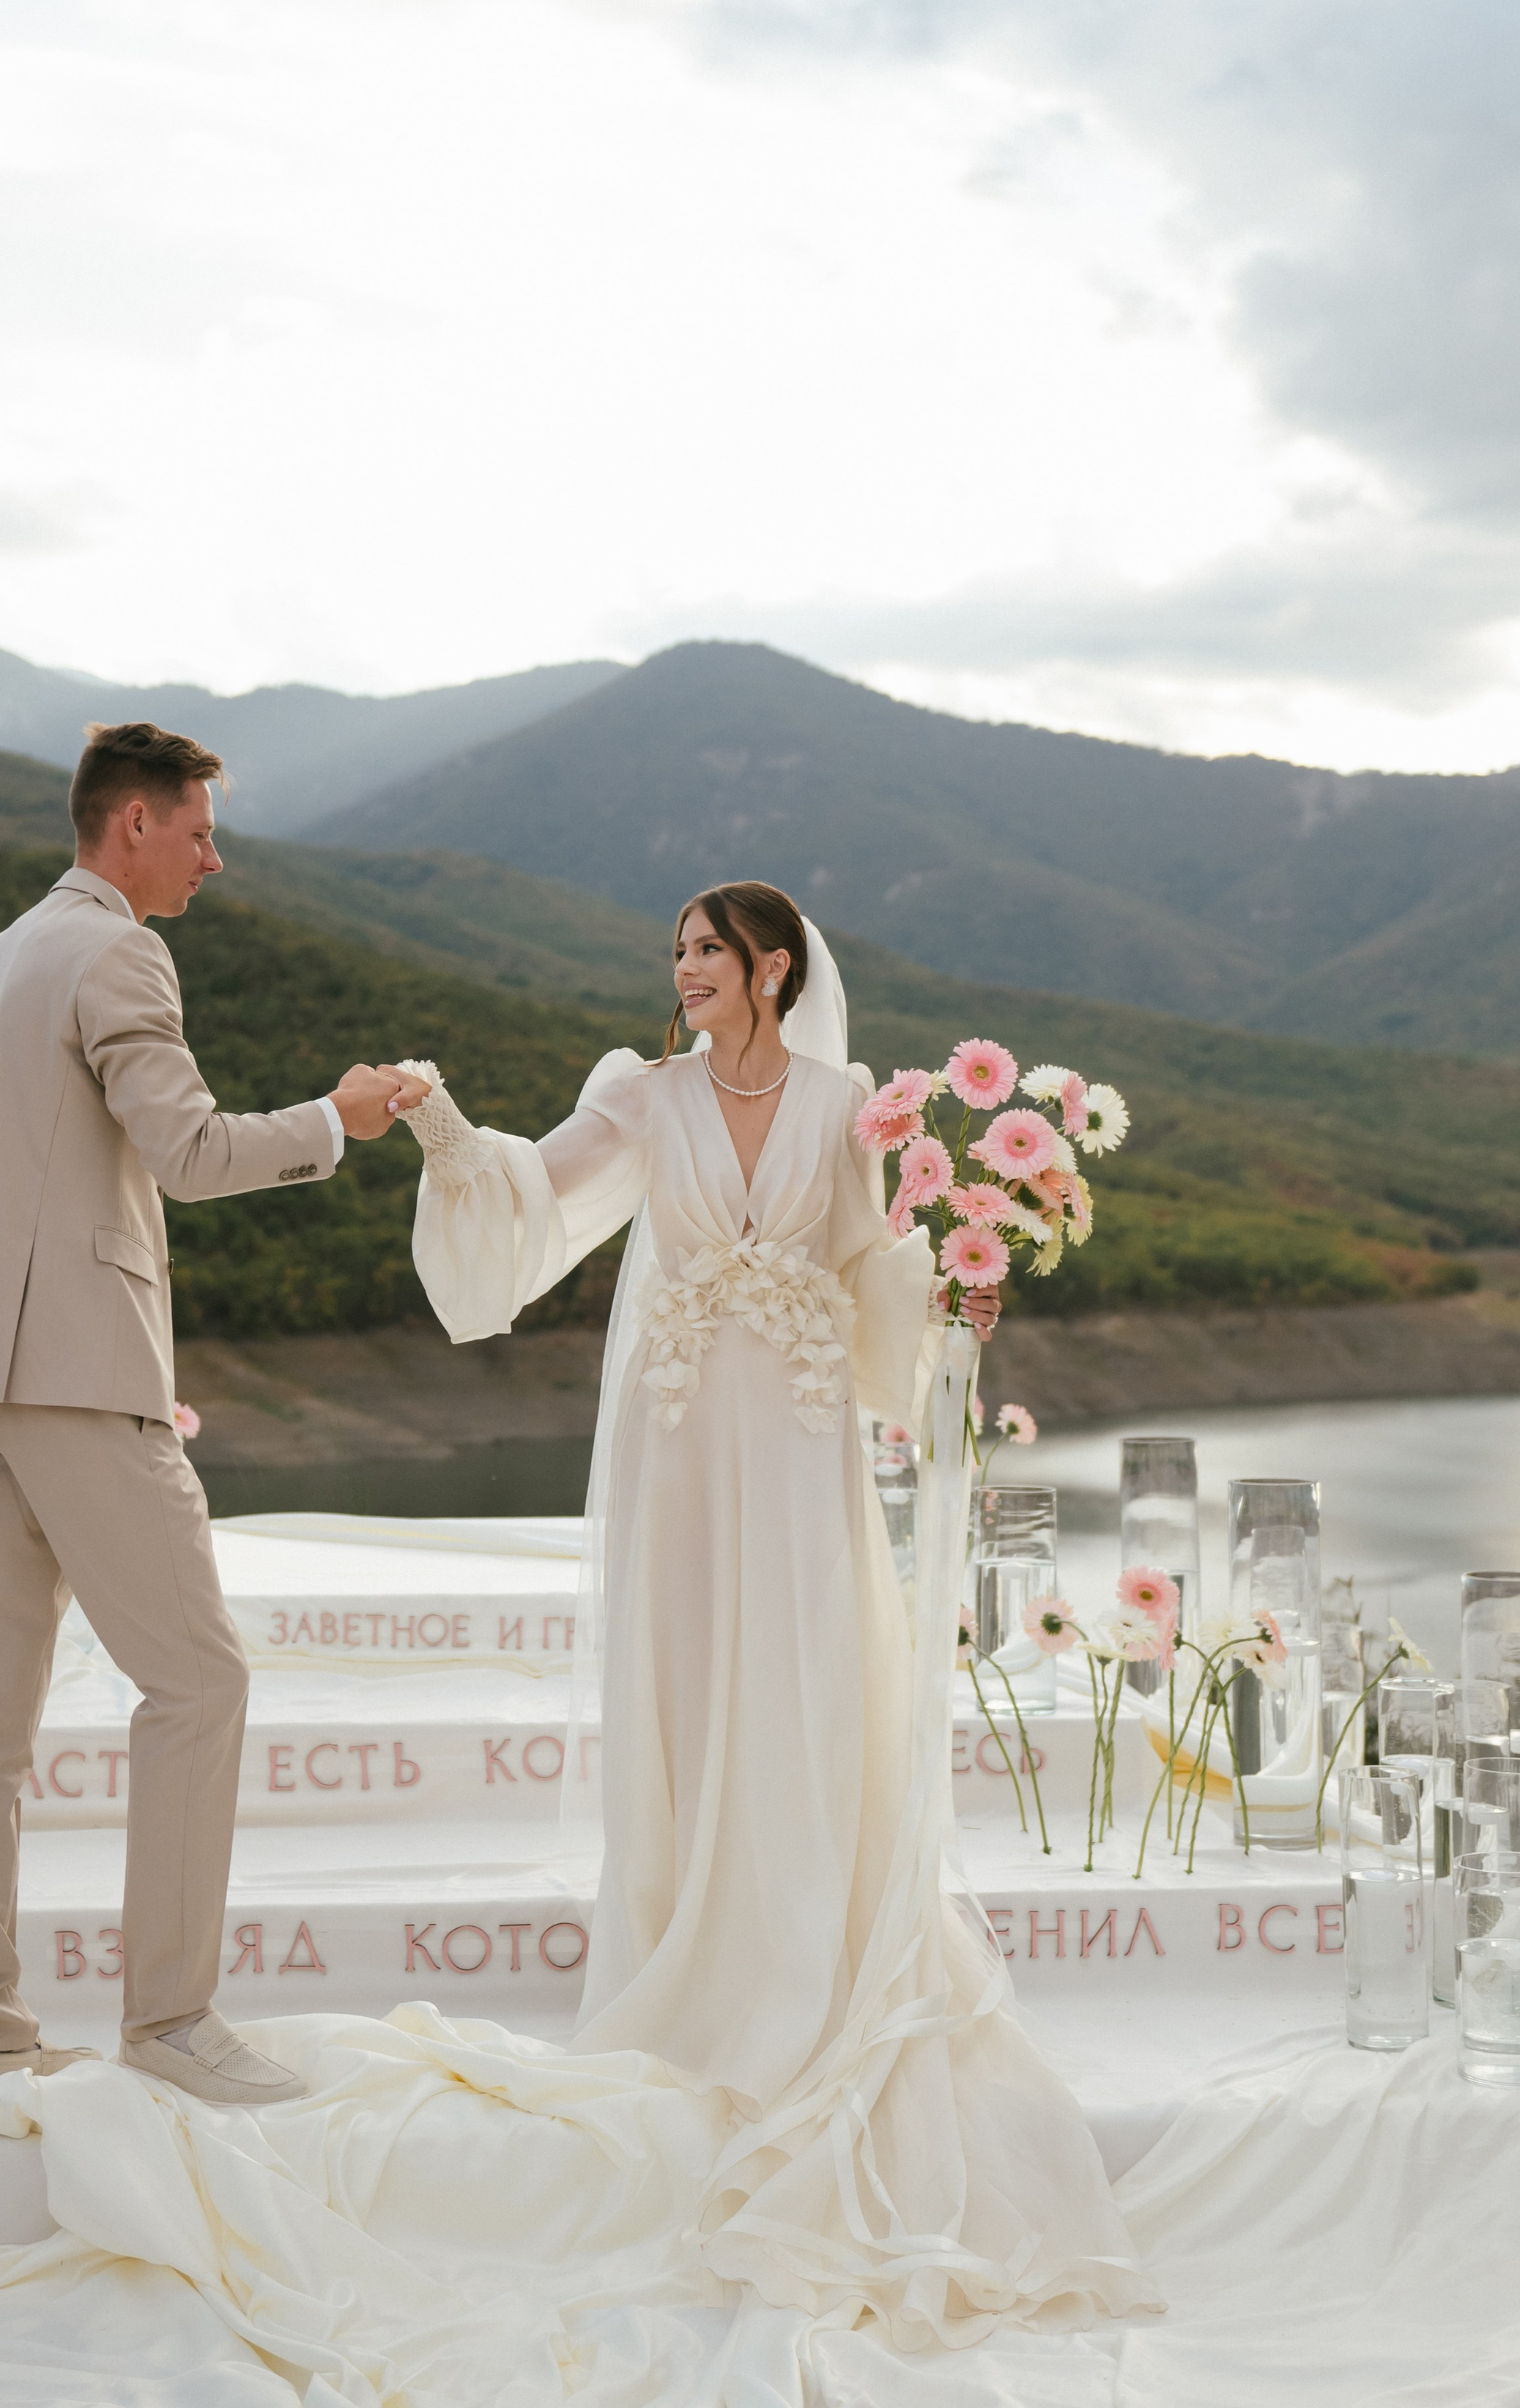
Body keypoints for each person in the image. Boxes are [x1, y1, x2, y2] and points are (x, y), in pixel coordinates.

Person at [398, 880, 1160, 2344]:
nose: (683, 968)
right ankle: (694, 1947)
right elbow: (534, 1190)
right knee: (692, 1675)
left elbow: (872, 1261)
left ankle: (804, 1945)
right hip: (684, 1433)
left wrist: (959, 1288)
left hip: (804, 1434)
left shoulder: (845, 1104)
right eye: (677, 948)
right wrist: (438, 1123)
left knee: (807, 1674)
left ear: (772, 968)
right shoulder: (642, 1094)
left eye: (707, 949)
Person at [0, 720, 428, 2107]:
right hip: (71, 1369)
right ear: (134, 824)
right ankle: (172, 2023)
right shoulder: (118, 950)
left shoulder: (2, 954)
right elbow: (187, 1153)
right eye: (198, 833)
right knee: (201, 1682)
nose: (212, 860)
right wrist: (339, 1118)